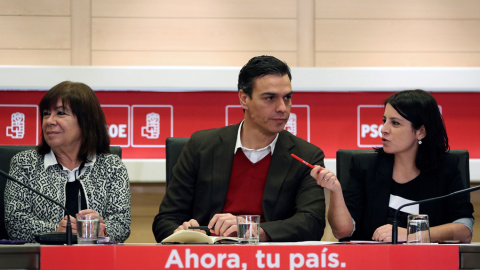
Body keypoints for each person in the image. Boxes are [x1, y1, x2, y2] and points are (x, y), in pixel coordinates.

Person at [152, 55, 326, 242]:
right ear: (244, 99)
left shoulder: (305, 155)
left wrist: (253, 231)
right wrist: (182, 233)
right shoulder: (201, 146)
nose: (282, 108)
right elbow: (165, 220)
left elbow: (312, 223)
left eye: (287, 97)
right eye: (270, 98)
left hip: (271, 261)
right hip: (209, 260)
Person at [311, 89, 474, 243]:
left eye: (395, 123)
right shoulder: (364, 167)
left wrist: (413, 234)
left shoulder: (447, 168)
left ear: (420, 132)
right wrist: (336, 191)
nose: (383, 129)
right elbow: (343, 231)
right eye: (384, 121)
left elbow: (464, 230)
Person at [5, 81, 131, 243]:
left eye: (61, 113)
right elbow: (15, 223)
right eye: (45, 113)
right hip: (43, 261)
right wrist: (55, 232)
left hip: (97, 262)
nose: (49, 121)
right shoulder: (25, 163)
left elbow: (122, 224)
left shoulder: (111, 166)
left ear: (86, 121)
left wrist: (102, 230)